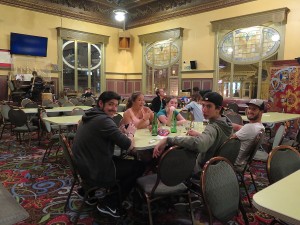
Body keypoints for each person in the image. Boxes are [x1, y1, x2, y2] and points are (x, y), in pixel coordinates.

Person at [72, 91, 145, 218]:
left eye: (116, 105)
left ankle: (86, 191)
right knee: (138, 166)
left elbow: (104, 135)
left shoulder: (90, 114)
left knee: (123, 160)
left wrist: (118, 132)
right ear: (101, 103)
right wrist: (131, 133)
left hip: (83, 165)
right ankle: (110, 203)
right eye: (110, 104)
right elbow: (128, 145)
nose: (114, 108)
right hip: (95, 169)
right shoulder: (103, 120)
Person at [153, 92, 233, 172]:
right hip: (220, 168)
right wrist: (200, 134)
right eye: (203, 105)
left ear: (218, 109)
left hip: (204, 170)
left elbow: (200, 144)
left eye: (209, 106)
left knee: (173, 157)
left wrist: (168, 139)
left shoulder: (213, 127)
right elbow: (216, 137)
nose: (204, 110)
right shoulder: (226, 122)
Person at [231, 99, 265, 166]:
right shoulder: (260, 127)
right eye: (249, 108)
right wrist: (226, 124)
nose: (250, 111)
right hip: (243, 160)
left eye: (254, 109)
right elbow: (239, 127)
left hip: (231, 160)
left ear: (261, 112)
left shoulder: (249, 127)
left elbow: (229, 138)